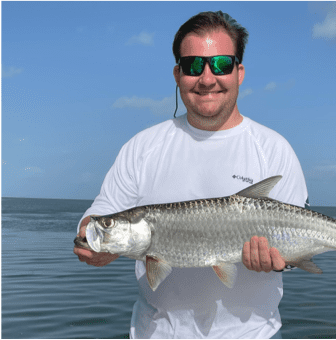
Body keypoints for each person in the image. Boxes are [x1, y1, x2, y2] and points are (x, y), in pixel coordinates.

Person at [74, 11, 308, 339]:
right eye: (193, 66)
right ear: (177, 74)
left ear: (239, 73)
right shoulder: (142, 147)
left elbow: (299, 242)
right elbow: (99, 216)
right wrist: (90, 238)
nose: (207, 78)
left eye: (222, 64)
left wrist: (282, 260)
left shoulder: (274, 149)